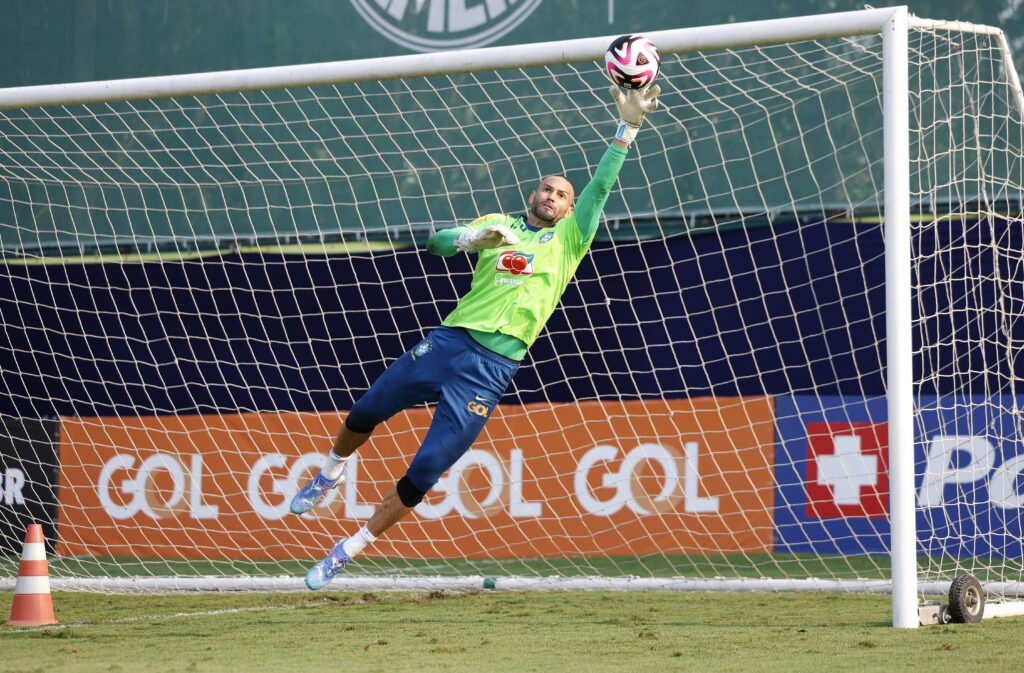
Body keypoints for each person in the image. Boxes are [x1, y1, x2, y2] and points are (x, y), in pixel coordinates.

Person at [292, 83, 661, 590]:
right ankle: (330, 473)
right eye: (546, 189)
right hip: (449, 343)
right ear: (531, 195)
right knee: (365, 410)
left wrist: (627, 129)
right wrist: (469, 237)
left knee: (425, 472)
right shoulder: (499, 224)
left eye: (561, 194)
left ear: (571, 209)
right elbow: (435, 243)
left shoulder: (572, 237)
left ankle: (346, 551)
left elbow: (599, 187)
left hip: (491, 371)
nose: (551, 197)